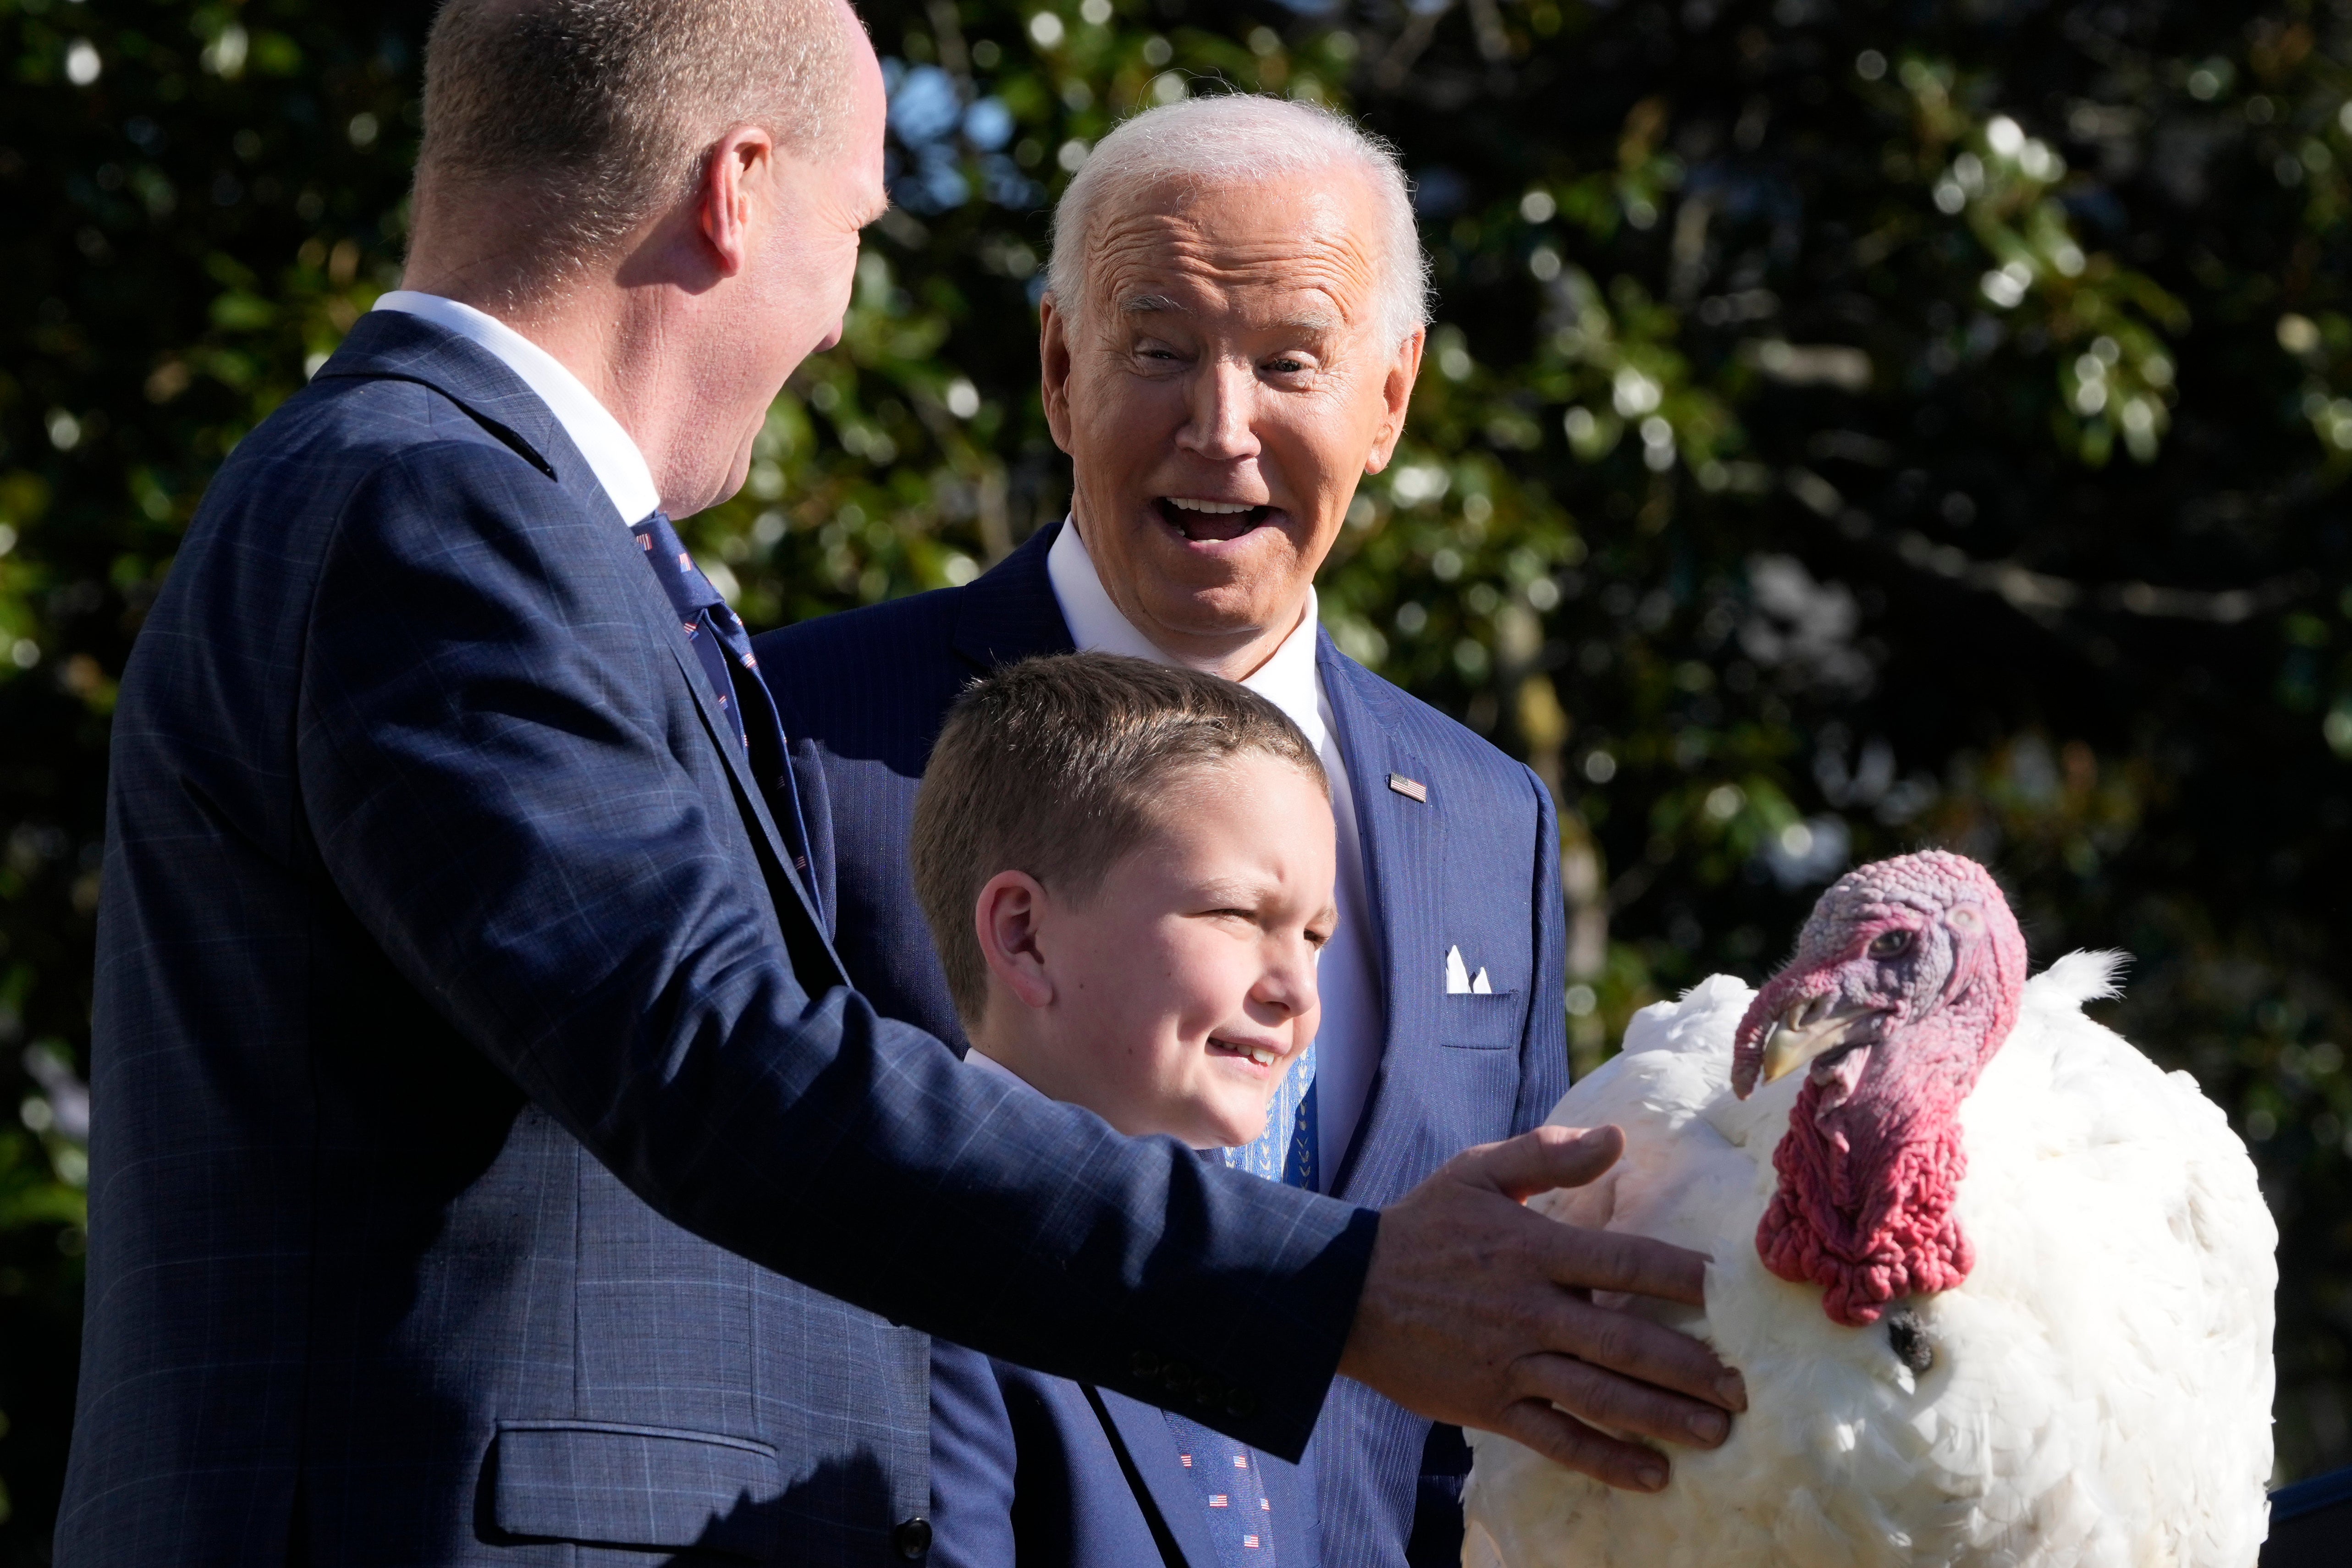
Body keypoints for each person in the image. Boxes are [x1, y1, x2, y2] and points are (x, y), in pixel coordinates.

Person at [57, 1, 1743, 1561]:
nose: (843, 308)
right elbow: (713, 1055)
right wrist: (1338, 1287)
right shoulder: (437, 506)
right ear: (739, 193)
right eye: (855, 228)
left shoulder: (437, 497)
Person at [754, 93, 1644, 1565]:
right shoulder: (798, 731)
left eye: (1290, 362)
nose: (1220, 426)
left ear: (1390, 397)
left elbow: (1478, 1386)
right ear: (1057, 365)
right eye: (1158, 349)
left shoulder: (1487, 817)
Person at [913, 652, 1343, 1567]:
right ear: (1025, 936)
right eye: (1233, 912)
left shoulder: (1266, 1291)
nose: (1296, 990)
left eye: (1314, 935)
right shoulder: (921, 1290)